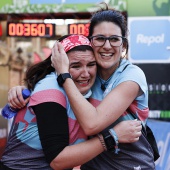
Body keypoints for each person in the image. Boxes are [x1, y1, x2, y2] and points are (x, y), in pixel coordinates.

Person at [0, 34, 142, 170]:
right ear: (59, 66)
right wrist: (113, 137)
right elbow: (57, 160)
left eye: (91, 64)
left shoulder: (86, 90)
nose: (85, 74)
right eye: (75, 66)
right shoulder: (51, 89)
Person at [51, 4, 156, 170]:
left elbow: (92, 124)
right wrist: (24, 91)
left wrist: (64, 75)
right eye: (100, 38)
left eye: (114, 39)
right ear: (90, 42)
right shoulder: (87, 72)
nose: (107, 46)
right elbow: (48, 88)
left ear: (124, 45)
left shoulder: (132, 76)